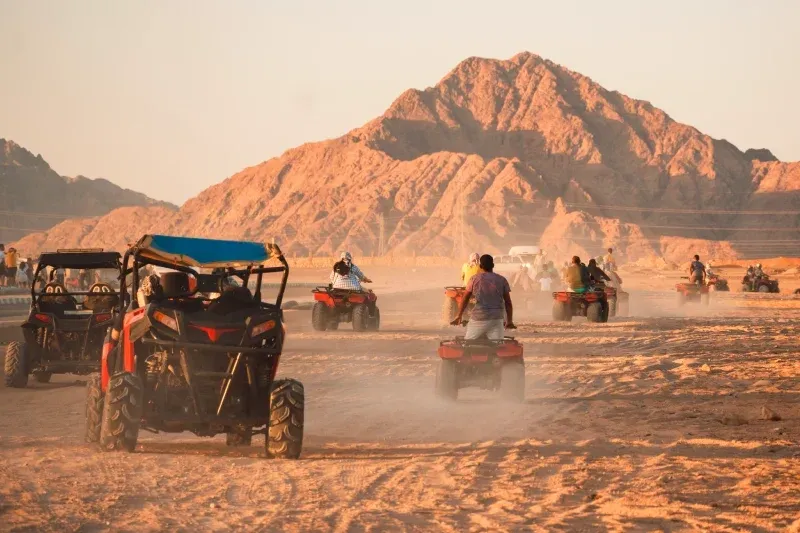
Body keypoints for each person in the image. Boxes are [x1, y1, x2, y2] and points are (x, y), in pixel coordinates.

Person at [452, 254, 515, 339]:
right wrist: (509, 321)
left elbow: (465, 298)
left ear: (480, 266)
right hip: (496, 319)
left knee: (468, 344)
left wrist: (459, 315)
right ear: (493, 265)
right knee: (497, 345)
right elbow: (508, 302)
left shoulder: (474, 279)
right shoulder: (502, 280)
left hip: (478, 319)